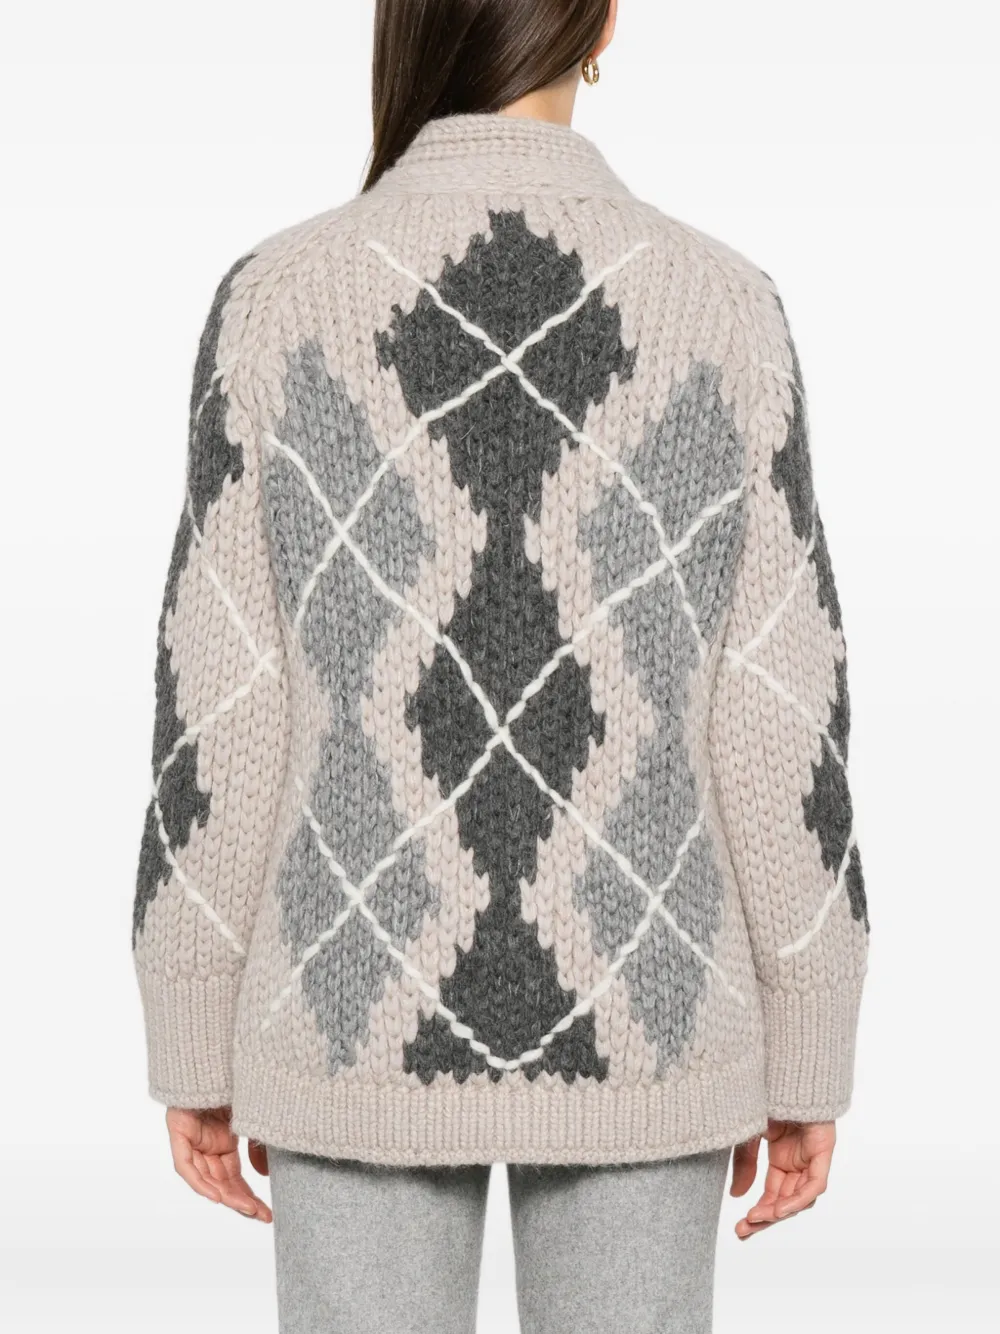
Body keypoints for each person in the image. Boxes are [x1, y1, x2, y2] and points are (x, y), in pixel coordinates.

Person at [132, 1, 870, 1329]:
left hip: (349, 1002)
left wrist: (191, 1012)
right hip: (649, 1005)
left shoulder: (278, 301)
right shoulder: (722, 308)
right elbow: (779, 712)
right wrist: (809, 1029)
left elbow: (221, 698)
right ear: (603, 24)